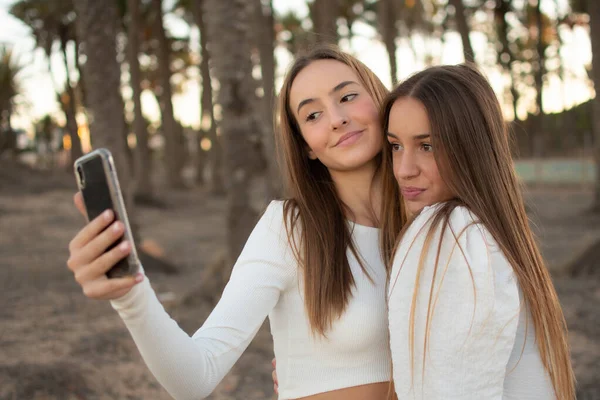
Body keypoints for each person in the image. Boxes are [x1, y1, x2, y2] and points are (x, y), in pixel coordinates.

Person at [66, 45, 404, 400]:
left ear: (383, 101)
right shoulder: (290, 230)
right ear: (306, 145)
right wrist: (129, 294)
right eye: (313, 116)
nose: (336, 118)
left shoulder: (429, 222)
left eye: (348, 96)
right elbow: (195, 377)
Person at [381, 64, 575, 399]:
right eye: (396, 146)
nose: (403, 170)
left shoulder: (452, 234)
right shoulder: (489, 234)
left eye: (426, 146)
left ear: (470, 148)